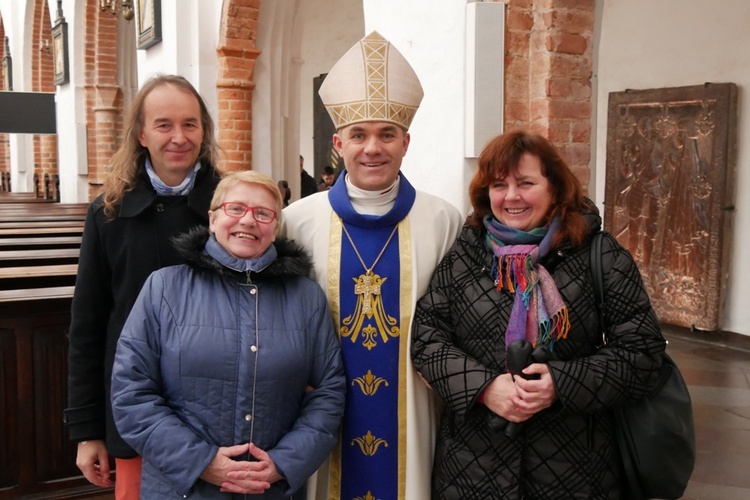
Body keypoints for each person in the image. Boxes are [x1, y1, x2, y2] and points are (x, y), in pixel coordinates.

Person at [410, 131, 667, 498]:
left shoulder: (599, 254)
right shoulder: (464, 255)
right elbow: (427, 339)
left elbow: (643, 353)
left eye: (526, 183)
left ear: (555, 187)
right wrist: (484, 389)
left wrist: (561, 383)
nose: (511, 196)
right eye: (499, 185)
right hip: (472, 469)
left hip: (577, 468)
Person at [281, 31, 463, 500]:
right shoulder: (298, 220)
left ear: (406, 142)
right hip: (323, 401)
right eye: (359, 135)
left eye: (386, 135)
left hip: (412, 403)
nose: (372, 148)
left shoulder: (443, 219)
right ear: (338, 143)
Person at [111, 170, 346, 498]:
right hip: (182, 488)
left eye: (263, 213)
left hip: (270, 489)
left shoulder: (305, 297)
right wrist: (202, 462)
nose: (248, 221)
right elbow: (131, 393)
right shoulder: (165, 288)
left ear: (275, 227)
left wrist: (283, 464)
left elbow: (329, 391)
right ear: (213, 217)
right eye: (236, 208)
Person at [63, 74, 222, 499]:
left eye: (190, 124)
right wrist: (87, 430)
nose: (178, 137)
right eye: (164, 124)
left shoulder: (229, 207)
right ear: (142, 133)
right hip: (137, 413)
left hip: (218, 411)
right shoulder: (109, 213)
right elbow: (88, 327)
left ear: (203, 131)